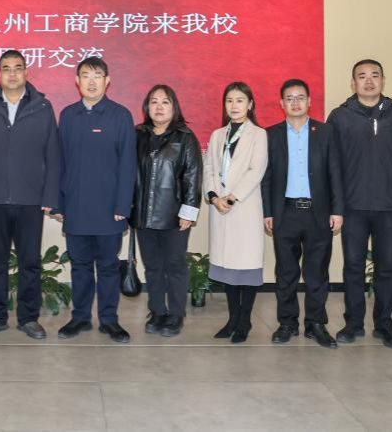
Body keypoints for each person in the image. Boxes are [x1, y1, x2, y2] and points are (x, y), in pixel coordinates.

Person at [0, 50, 61, 340]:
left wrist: (50, 196)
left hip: (30, 199)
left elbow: (53, 154)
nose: (12, 74)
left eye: (17, 68)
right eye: (6, 68)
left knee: (29, 262)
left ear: (26, 72)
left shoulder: (42, 107)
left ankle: (28, 319)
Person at [327, 59, 392, 349]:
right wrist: (336, 205)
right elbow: (331, 164)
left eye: (374, 75)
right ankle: (353, 324)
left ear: (383, 80)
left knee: (386, 268)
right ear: (353, 82)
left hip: (388, 206)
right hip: (352, 206)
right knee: (353, 267)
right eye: (362, 76)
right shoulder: (339, 117)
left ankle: (384, 326)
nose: (369, 81)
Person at [53, 57, 137, 343]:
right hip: (76, 206)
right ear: (77, 81)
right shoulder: (68, 115)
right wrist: (59, 203)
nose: (91, 81)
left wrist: (123, 205)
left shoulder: (120, 115)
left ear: (107, 81)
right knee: (79, 266)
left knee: (109, 267)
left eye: (97, 75)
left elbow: (128, 165)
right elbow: (59, 162)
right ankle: (80, 317)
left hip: (109, 209)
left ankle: (110, 320)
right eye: (85, 76)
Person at [261, 79, 343, 348]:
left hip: (318, 213)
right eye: (289, 98)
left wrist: (337, 210)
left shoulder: (326, 132)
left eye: (300, 97)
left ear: (309, 101)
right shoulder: (271, 134)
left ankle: (316, 324)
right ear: (281, 103)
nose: (295, 102)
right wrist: (268, 212)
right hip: (285, 212)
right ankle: (287, 323)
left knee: (317, 272)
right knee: (286, 272)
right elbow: (267, 177)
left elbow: (335, 173)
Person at [132, 85, 202, 338]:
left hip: (174, 216)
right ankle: (157, 311)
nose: (159, 107)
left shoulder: (185, 137)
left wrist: (188, 212)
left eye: (165, 102)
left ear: (174, 107)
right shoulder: (138, 135)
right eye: (154, 102)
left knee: (175, 266)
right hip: (143, 215)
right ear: (147, 107)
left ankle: (176, 314)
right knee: (152, 266)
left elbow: (192, 176)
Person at [204, 81, 268, 343]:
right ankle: (232, 320)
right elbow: (209, 167)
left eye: (240, 100)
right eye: (229, 100)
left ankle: (245, 321)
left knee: (246, 268)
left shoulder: (259, 134)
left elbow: (257, 169)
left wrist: (232, 197)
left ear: (250, 104)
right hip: (220, 208)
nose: (234, 105)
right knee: (228, 268)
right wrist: (213, 197)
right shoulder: (217, 135)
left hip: (244, 207)